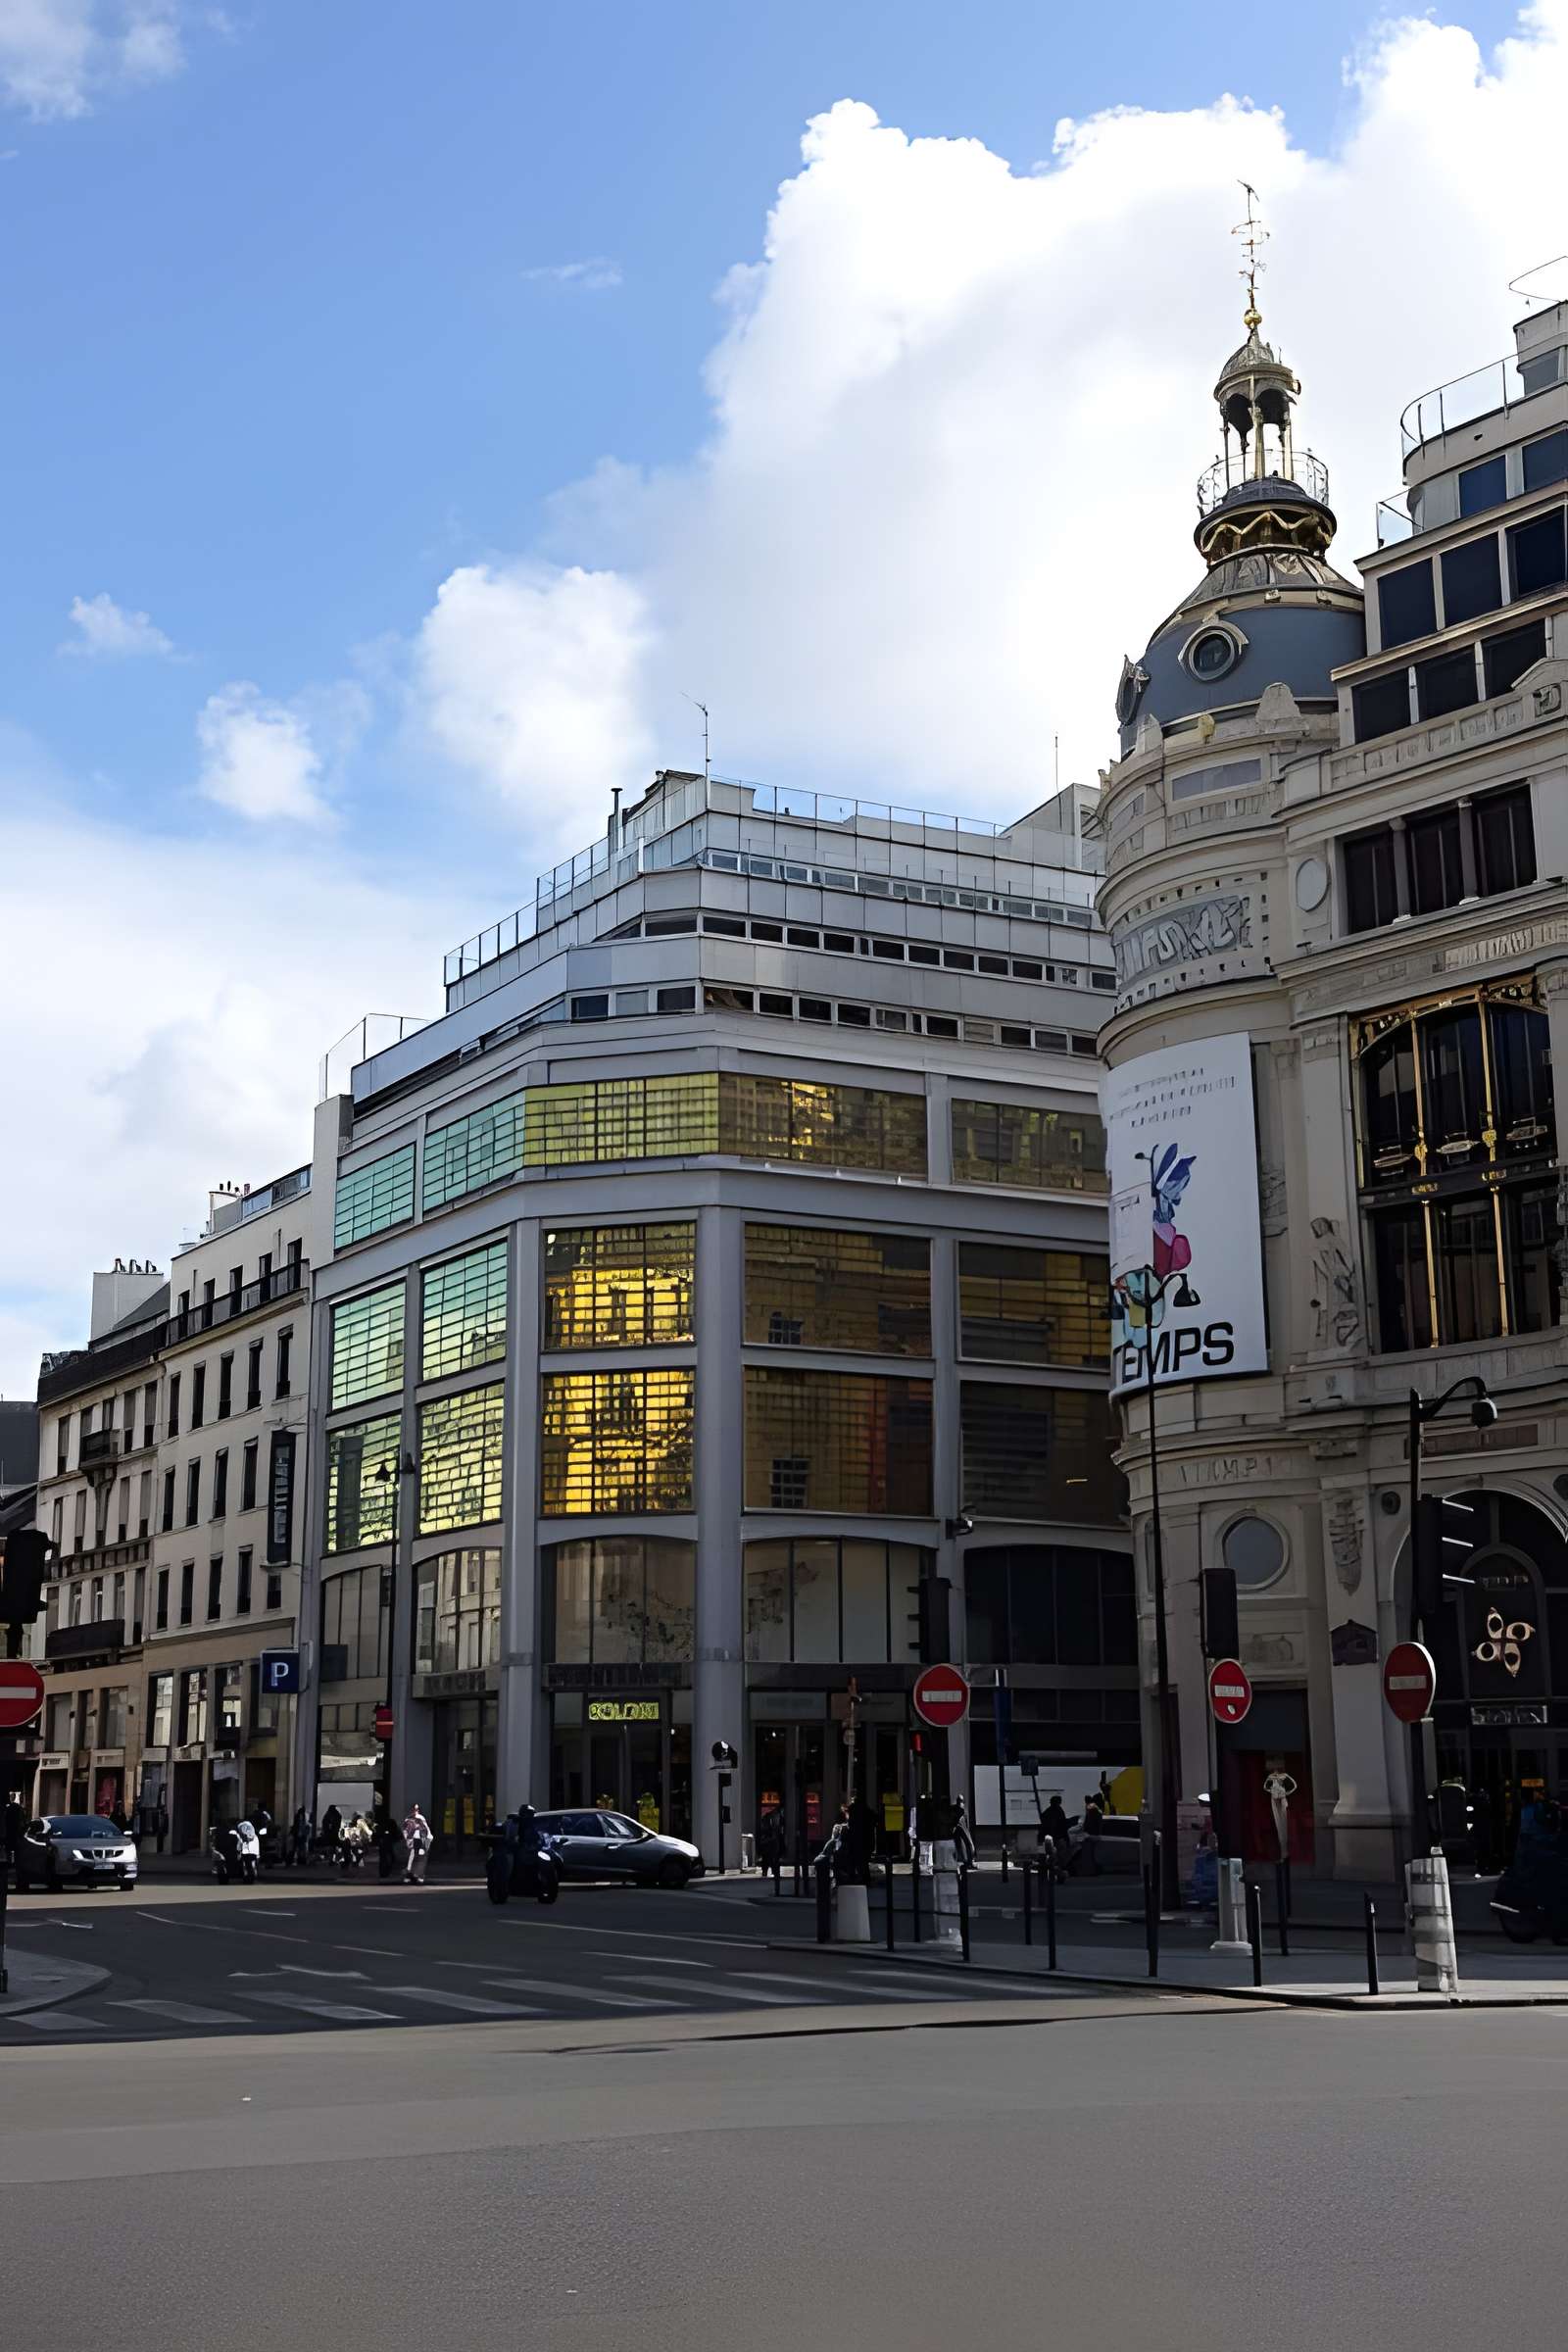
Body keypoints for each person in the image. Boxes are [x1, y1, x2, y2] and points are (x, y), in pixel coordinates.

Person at [1040, 1795, 1073, 1879]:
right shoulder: (1059, 1811)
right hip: (1058, 1837)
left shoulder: (1047, 1812)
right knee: (1060, 1856)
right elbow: (1063, 1826)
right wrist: (1067, 1838)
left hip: (1050, 1837)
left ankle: (1052, 1871)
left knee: (1052, 1856)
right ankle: (1058, 1871)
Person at [403, 1804, 433, 1885]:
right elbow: (405, 1830)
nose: (415, 1811)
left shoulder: (420, 1818)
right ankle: (411, 1874)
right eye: (414, 1809)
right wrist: (408, 1840)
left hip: (423, 1839)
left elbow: (425, 1830)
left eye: (417, 1809)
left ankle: (419, 1875)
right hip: (415, 1839)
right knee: (412, 1857)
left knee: (421, 1857)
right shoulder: (408, 1819)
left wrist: (426, 1843)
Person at [1079, 1793, 1105, 1875]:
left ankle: (1095, 1870)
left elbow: (1089, 1821)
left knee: (1093, 1854)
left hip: (1093, 1834)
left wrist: (1085, 1829)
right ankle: (1096, 1869)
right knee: (1095, 1853)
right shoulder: (1096, 1809)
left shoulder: (1091, 1808)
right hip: (1096, 1834)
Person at [757, 1807, 785, 1883]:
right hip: (770, 1841)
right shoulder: (768, 1819)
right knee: (769, 1857)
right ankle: (769, 1871)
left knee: (771, 1857)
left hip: (771, 1841)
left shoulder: (769, 1818)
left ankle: (770, 1871)